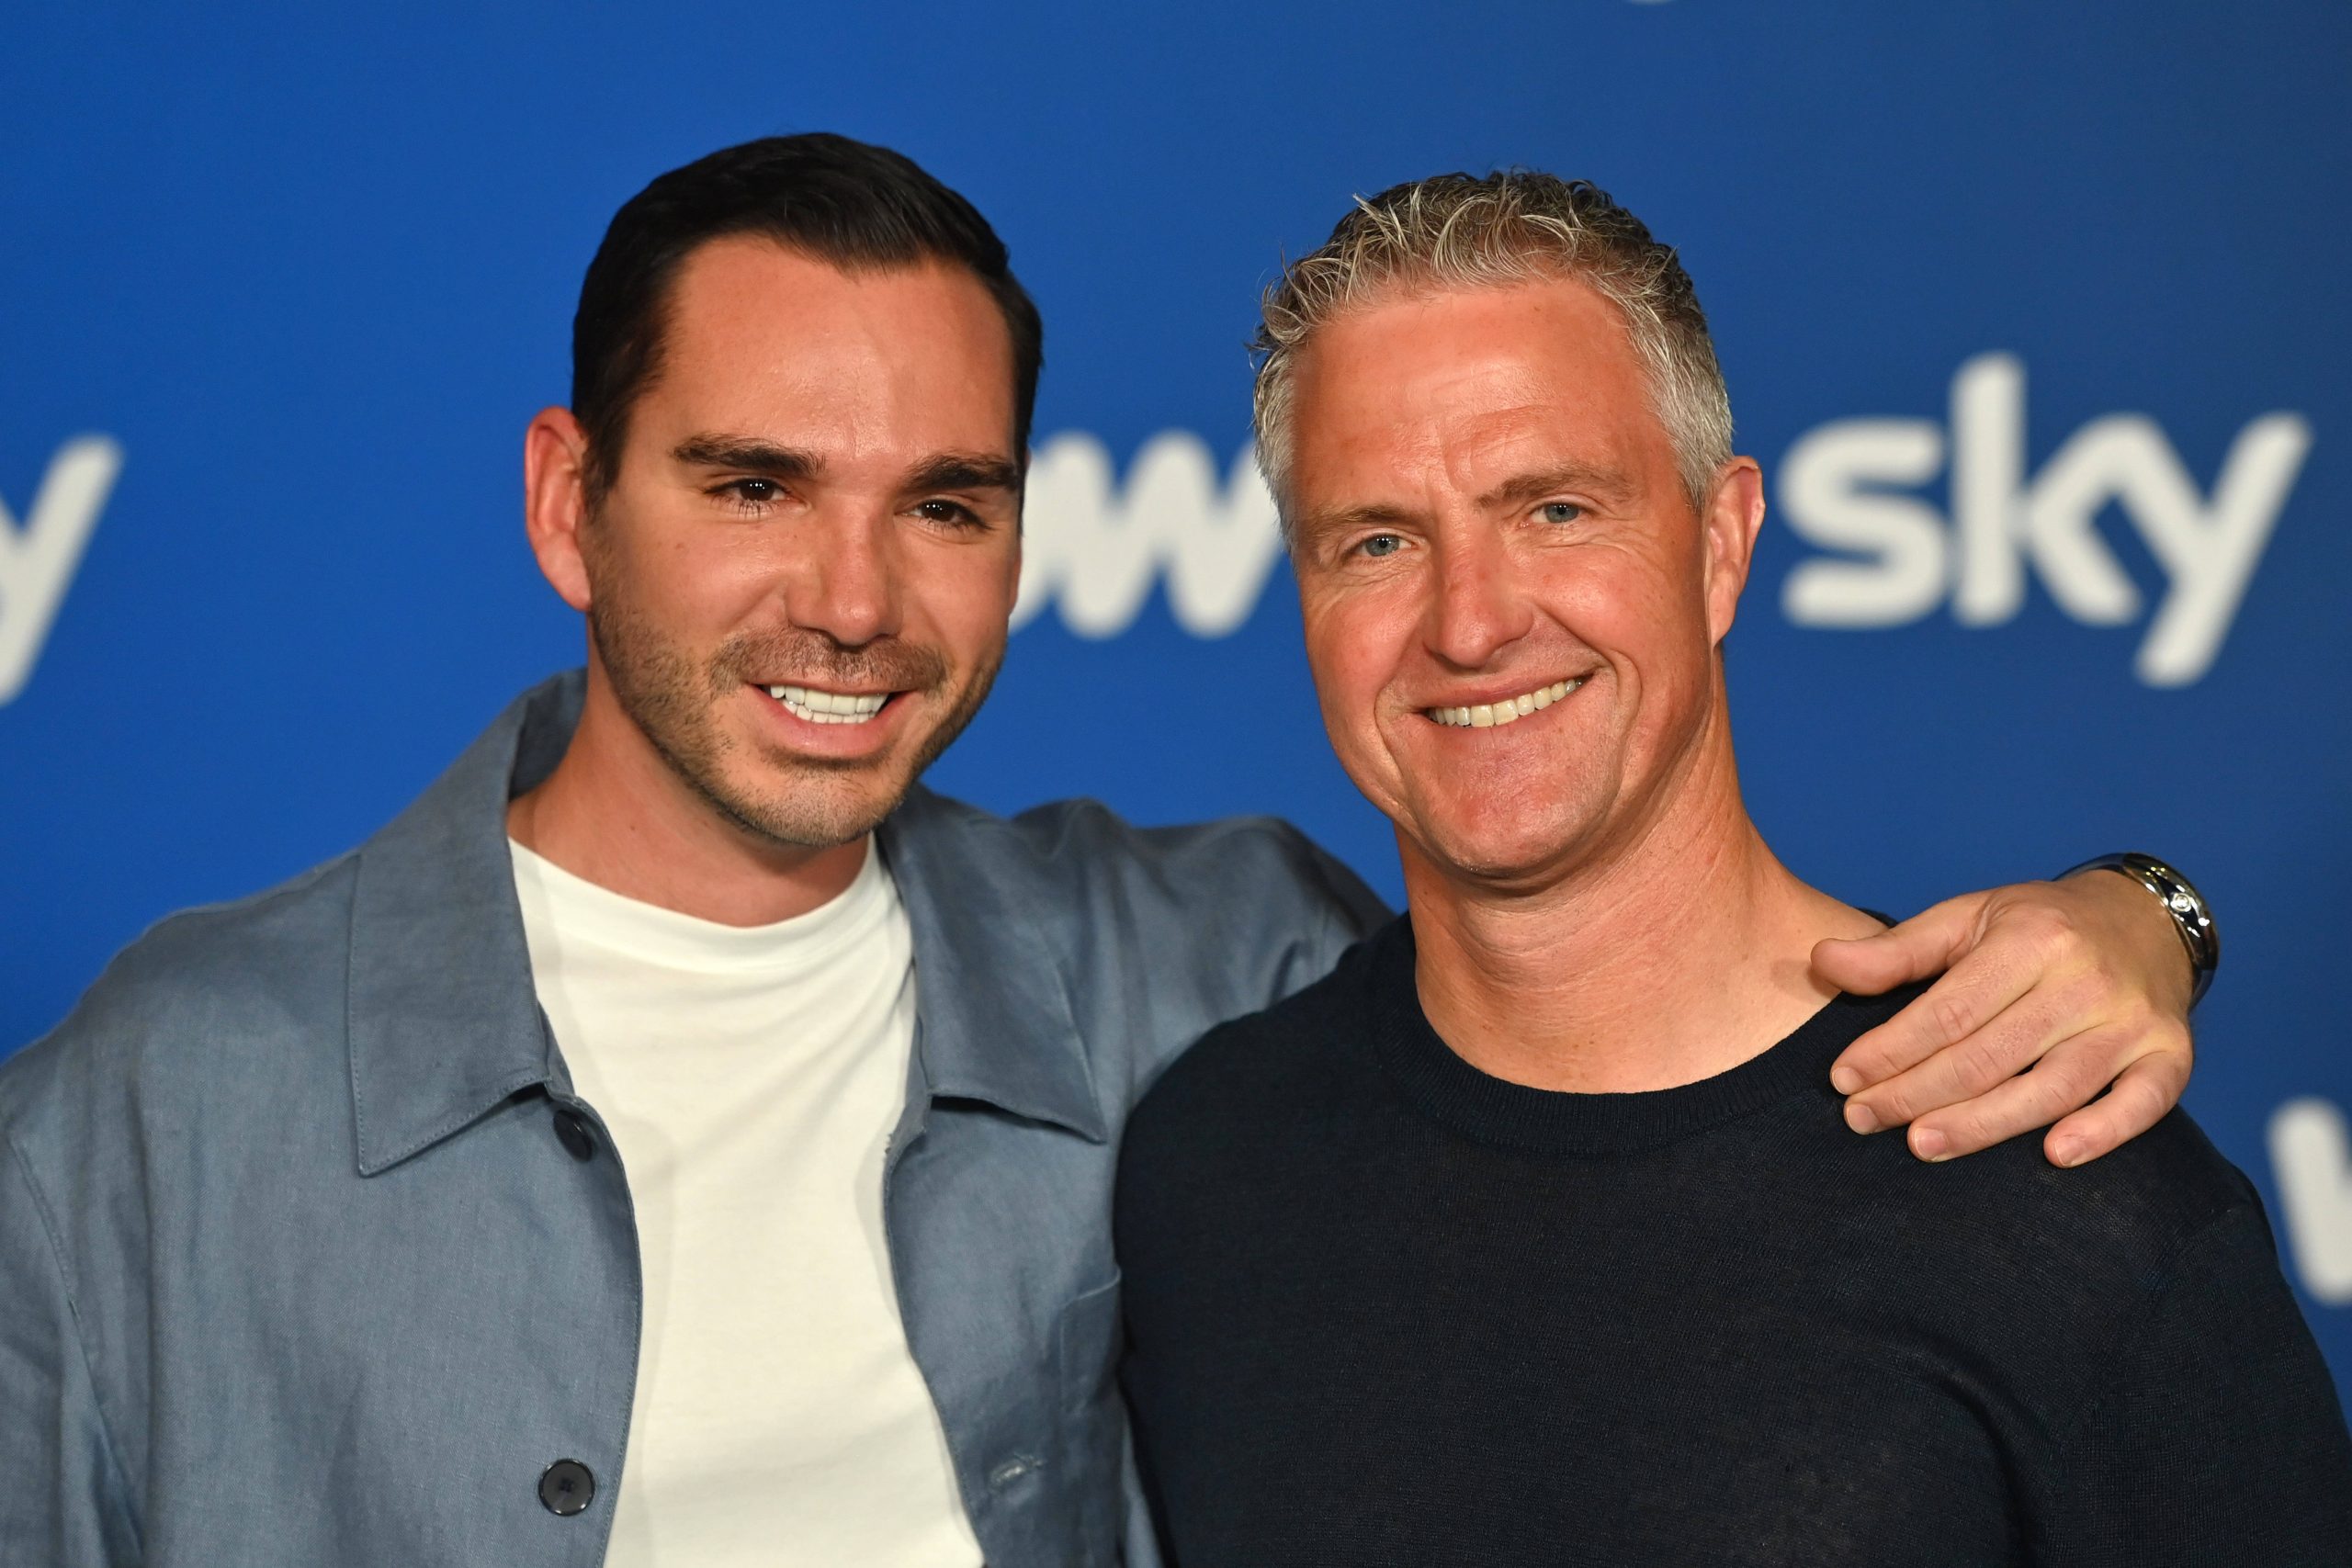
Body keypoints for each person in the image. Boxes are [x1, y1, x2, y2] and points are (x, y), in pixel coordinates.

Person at [0, 135, 2208, 1568]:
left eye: (943, 501)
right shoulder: (152, 1112)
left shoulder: (1205, 971)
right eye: (753, 485)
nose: (853, 598)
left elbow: (1609, 1003)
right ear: (571, 501)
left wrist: (2139, 915)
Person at [1114, 171, 2352, 1566]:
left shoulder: (2069, 1190)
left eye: (1556, 511)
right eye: (1380, 541)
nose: (1469, 623)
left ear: (1721, 545)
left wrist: (2155, 909)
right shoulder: (1210, 1163)